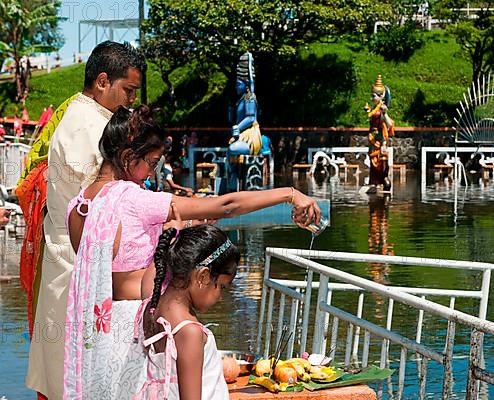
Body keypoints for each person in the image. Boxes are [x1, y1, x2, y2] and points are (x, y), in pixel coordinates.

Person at [63, 106, 320, 398]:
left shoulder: (78, 206)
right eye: (152, 162)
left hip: (101, 336)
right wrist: (289, 193)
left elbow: (106, 270)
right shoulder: (135, 199)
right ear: (126, 158)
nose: (151, 173)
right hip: (145, 332)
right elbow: (227, 206)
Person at [26, 40, 146, 400]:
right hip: (77, 267)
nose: (131, 100)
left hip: (79, 263)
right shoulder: (84, 126)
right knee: (78, 377)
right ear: (102, 82)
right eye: (128, 90)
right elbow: (99, 205)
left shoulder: (93, 119)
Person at [136, 225, 238, 399]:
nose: (220, 296)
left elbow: (150, 277)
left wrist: (176, 238)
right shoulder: (190, 332)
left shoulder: (151, 307)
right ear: (203, 276)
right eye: (221, 286)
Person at [364, 75, 395, 192]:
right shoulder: (374, 108)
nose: (372, 98)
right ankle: (375, 183)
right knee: (373, 162)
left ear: (381, 96)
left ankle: (383, 181)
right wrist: (368, 111)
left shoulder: (382, 109)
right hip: (372, 137)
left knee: (380, 162)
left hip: (379, 138)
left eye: (374, 96)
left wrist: (383, 143)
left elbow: (387, 125)